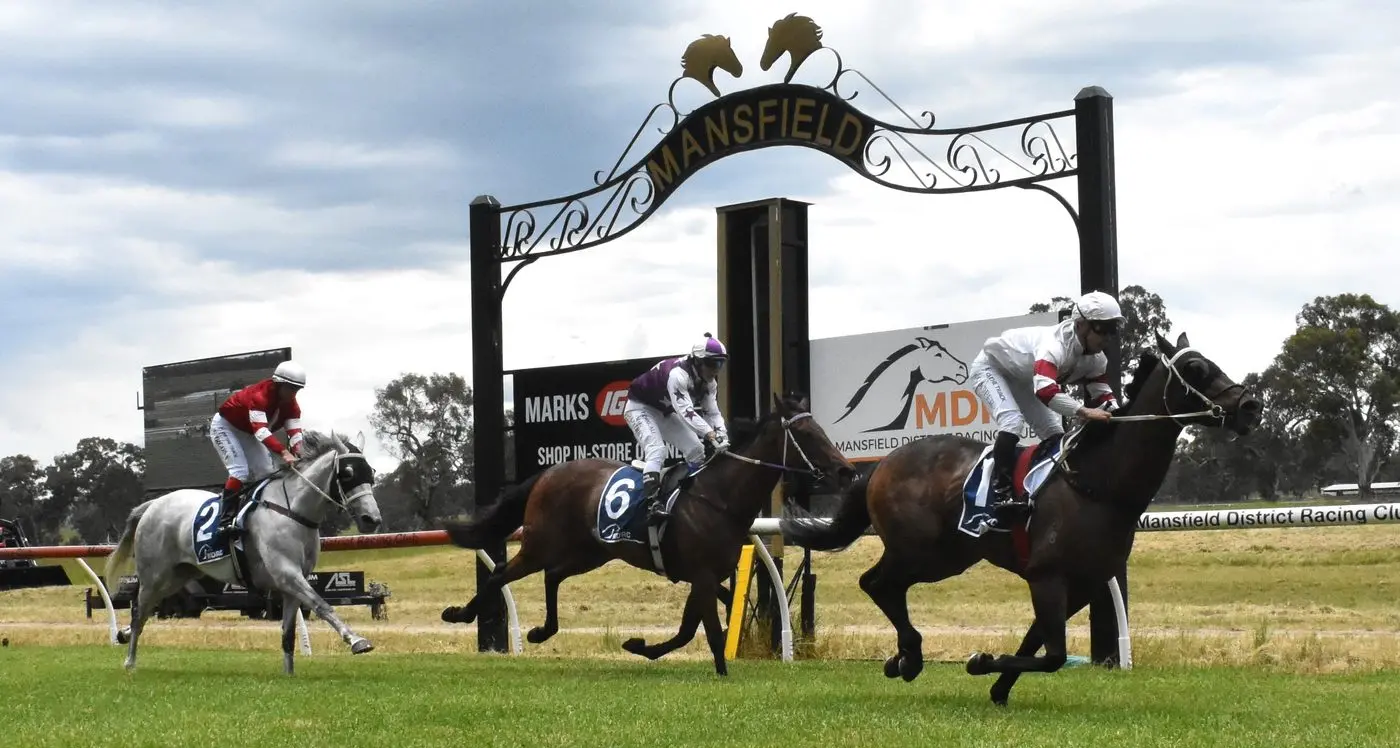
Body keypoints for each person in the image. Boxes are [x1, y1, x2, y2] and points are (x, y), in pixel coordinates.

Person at [968, 291, 1122, 525]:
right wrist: (1084, 412)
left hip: (1023, 378)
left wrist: (1121, 415)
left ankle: (1043, 495)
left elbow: (1103, 396)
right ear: (1081, 326)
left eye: (1113, 329)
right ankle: (1002, 495)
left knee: (1055, 435)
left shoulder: (1096, 359)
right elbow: (1045, 391)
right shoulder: (1054, 346)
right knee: (1012, 421)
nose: (1108, 337)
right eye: (1102, 328)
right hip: (991, 369)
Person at [623, 333, 732, 525]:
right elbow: (686, 412)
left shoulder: (709, 383)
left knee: (696, 450)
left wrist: (722, 434)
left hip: (663, 411)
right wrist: (711, 435)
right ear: (698, 361)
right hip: (640, 408)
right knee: (657, 450)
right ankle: (651, 504)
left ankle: (694, 499)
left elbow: (712, 412)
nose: (716, 370)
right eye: (712, 364)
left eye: (720, 364)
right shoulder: (678, 375)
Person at [208, 360, 308, 538]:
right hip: (225, 427)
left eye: (297, 389)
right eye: (291, 388)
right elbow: (261, 431)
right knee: (239, 471)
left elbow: (295, 434)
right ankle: (224, 522)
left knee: (267, 472)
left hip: (247, 432)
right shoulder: (260, 396)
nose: (294, 393)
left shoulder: (292, 406)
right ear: (279, 384)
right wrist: (284, 452)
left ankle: (258, 516)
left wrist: (300, 453)